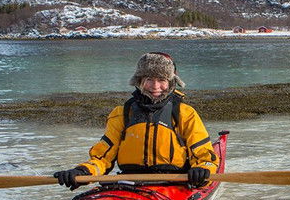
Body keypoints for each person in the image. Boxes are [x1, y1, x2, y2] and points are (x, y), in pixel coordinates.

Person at [54, 52, 219, 190]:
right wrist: (82, 171)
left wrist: (202, 170)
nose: (155, 86)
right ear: (139, 81)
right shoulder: (122, 114)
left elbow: (204, 156)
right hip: (129, 183)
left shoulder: (185, 113)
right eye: (149, 80)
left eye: (162, 80)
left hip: (174, 184)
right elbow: (103, 158)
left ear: (171, 82)